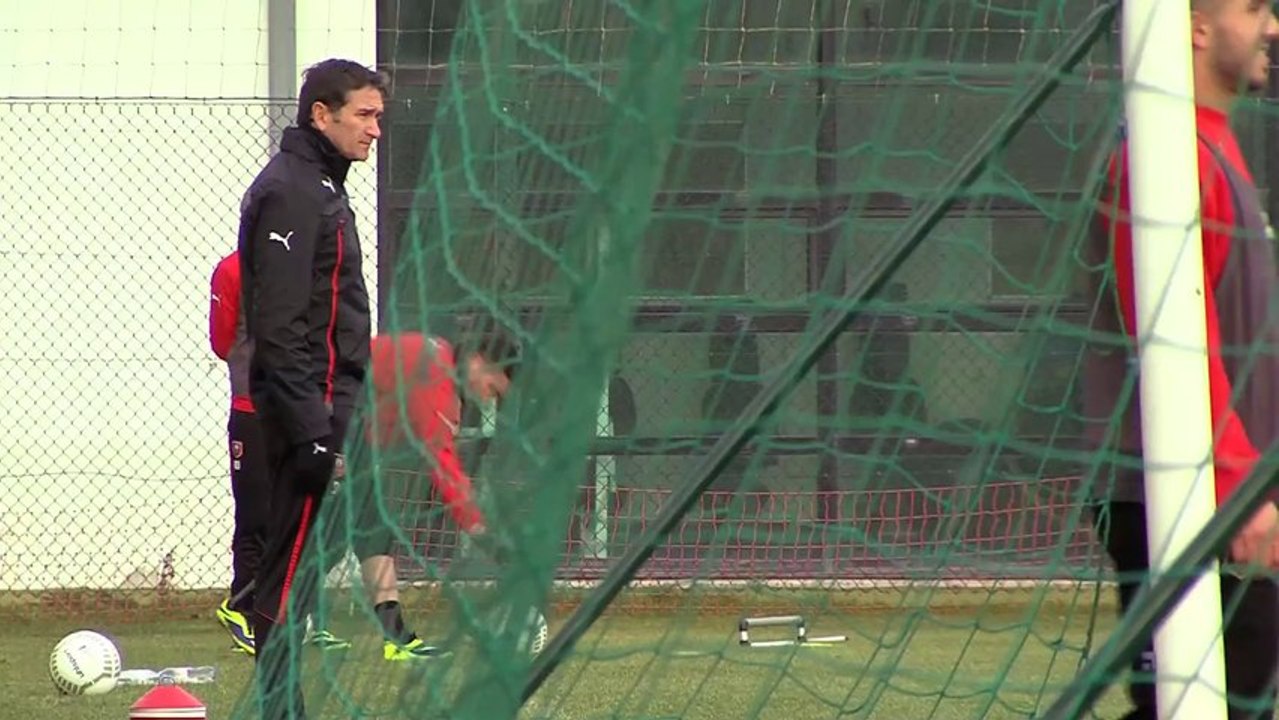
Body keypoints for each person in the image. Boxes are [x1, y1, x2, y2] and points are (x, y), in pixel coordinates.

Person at [1083, 1, 1279, 718]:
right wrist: (1239, 490)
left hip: (1228, 494)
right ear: (1192, 26)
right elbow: (1168, 338)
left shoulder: (1214, 146)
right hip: (1184, 500)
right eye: (1253, 7)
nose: (1272, 26)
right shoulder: (1159, 162)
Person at [238, 58, 385, 719]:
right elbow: (279, 323)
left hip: (327, 408)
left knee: (298, 569)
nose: (375, 129)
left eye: (379, 116)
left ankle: (283, 705)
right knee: (288, 571)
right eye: (364, 114)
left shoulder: (323, 185)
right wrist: (315, 431)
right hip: (310, 416)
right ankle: (279, 707)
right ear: (319, 115)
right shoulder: (293, 190)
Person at [333, 325, 519, 660]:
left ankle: (396, 638)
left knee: (374, 534)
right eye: (494, 387)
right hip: (327, 427)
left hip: (348, 438)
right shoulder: (436, 377)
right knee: (326, 540)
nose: (490, 398)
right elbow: (444, 466)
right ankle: (259, 613)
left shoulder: (439, 358)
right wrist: (481, 531)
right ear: (479, 361)